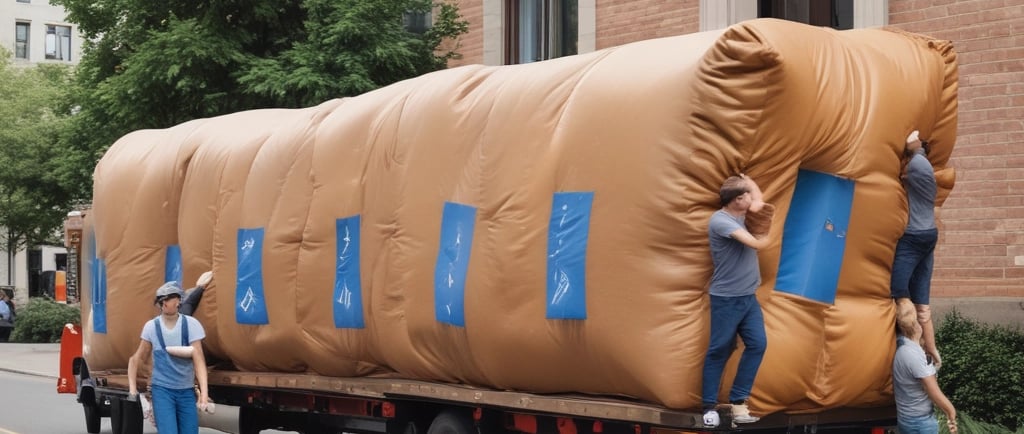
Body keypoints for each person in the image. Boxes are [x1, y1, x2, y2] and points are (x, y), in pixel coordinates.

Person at [702, 174, 772, 428]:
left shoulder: (740, 214)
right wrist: (766, 241)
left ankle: (739, 402)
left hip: (747, 297)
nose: (750, 199)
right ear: (735, 200)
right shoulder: (720, 221)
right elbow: (753, 242)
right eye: (745, 196)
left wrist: (749, 179)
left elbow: (759, 201)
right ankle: (708, 407)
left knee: (758, 344)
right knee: (719, 349)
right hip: (726, 298)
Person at [128, 281, 210, 434]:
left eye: (167, 299)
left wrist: (204, 395)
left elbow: (199, 361)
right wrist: (133, 390)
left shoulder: (191, 325)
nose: (164, 303)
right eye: (161, 300)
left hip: (186, 390)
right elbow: (136, 359)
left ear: (178, 300)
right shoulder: (151, 327)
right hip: (163, 390)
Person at [890, 130, 941, 368]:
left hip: (914, 236)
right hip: (928, 233)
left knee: (898, 290)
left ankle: (914, 344)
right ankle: (932, 349)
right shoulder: (922, 175)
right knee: (921, 298)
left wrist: (915, 145)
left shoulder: (920, 166)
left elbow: (915, 150)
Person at [893, 309, 957, 434]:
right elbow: (932, 391)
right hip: (919, 423)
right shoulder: (913, 354)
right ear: (916, 327)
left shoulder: (902, 346)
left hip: (907, 418)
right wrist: (951, 412)